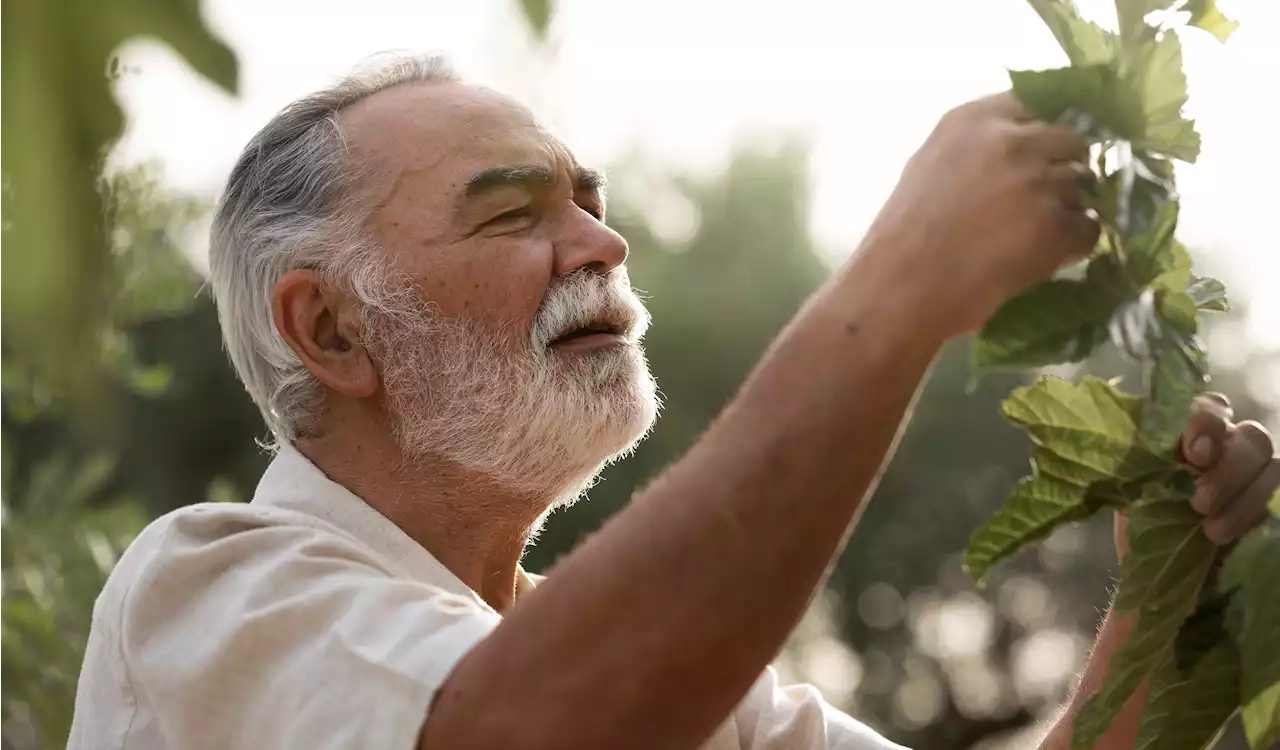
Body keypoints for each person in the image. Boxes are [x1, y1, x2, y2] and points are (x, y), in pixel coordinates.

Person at [68, 54, 1278, 750]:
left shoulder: (710, 699)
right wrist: (897, 291)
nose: (601, 240)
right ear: (329, 329)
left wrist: (1170, 611)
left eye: (588, 200)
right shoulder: (211, 590)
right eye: (511, 212)